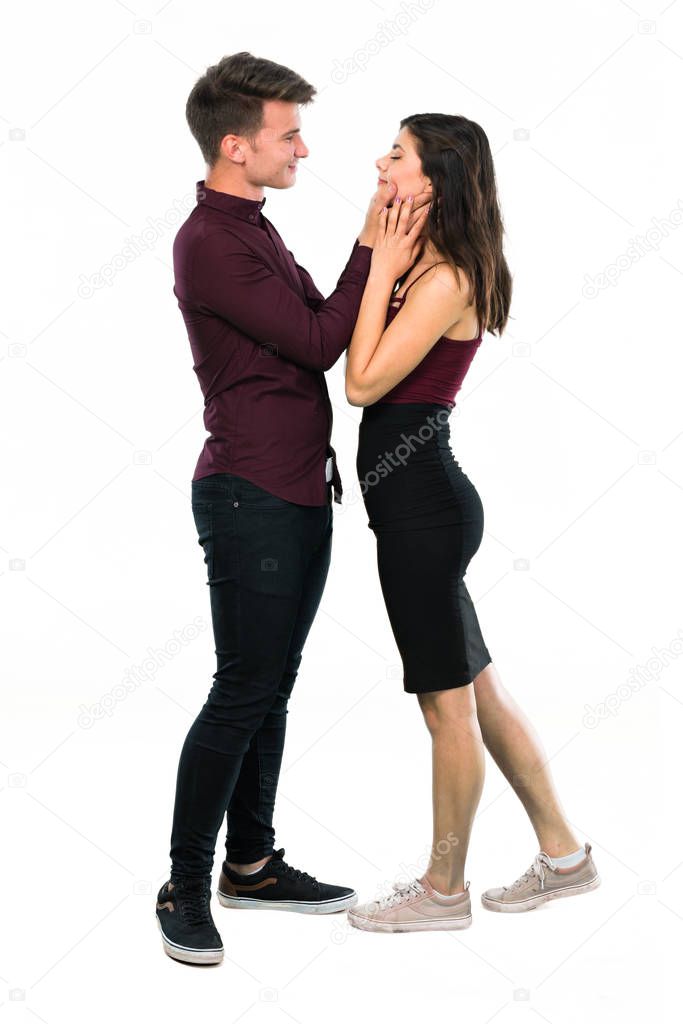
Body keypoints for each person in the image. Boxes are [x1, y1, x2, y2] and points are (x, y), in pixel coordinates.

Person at [155, 52, 426, 965]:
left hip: (298, 488)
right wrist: (373, 244)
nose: (303, 149)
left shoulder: (253, 228)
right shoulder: (210, 242)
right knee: (241, 691)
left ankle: (253, 864)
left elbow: (315, 313)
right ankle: (184, 887)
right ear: (235, 146)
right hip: (249, 494)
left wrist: (370, 249)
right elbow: (318, 339)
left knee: (270, 683)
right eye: (288, 134)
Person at [344, 115, 601, 933]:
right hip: (416, 506)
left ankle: (442, 891)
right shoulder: (412, 256)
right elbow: (344, 312)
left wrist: (383, 259)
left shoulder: (446, 276)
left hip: (425, 508)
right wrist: (376, 239)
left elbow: (360, 383)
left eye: (396, 154)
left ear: (437, 178)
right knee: (478, 692)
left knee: (442, 708)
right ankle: (565, 858)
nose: (379, 160)